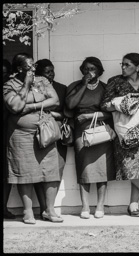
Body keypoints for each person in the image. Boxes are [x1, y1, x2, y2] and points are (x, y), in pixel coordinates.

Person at [3, 53, 62, 224]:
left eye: (34, 66)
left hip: (45, 132)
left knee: (50, 171)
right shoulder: (9, 85)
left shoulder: (42, 81)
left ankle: (50, 210)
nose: (33, 69)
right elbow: (15, 107)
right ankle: (28, 212)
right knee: (25, 172)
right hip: (20, 136)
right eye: (29, 66)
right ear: (20, 69)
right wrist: (27, 84)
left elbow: (55, 100)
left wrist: (30, 107)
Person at [101, 53, 139, 217]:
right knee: (127, 166)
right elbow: (104, 105)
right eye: (122, 64)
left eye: (127, 65)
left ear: (138, 67)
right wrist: (122, 104)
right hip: (125, 129)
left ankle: (133, 205)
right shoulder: (115, 81)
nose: (123, 67)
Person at [66, 57, 115, 219]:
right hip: (82, 132)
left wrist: (89, 115)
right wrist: (83, 85)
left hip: (102, 130)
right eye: (86, 69)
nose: (89, 72)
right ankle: (85, 206)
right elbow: (71, 105)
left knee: (102, 168)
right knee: (84, 167)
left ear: (100, 71)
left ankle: (100, 206)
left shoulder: (106, 88)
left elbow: (112, 112)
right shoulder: (75, 86)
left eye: (93, 69)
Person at [34, 59, 69, 219]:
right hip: (39, 134)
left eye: (52, 71)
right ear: (39, 73)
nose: (51, 74)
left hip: (56, 134)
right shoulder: (33, 88)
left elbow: (67, 114)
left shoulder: (62, 88)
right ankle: (44, 208)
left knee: (56, 171)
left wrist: (51, 114)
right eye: (47, 72)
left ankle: (50, 208)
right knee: (38, 171)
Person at [3, 59, 16, 219]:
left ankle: (4, 208)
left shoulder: (11, 90)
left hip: (8, 134)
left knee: (6, 174)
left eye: (5, 74)